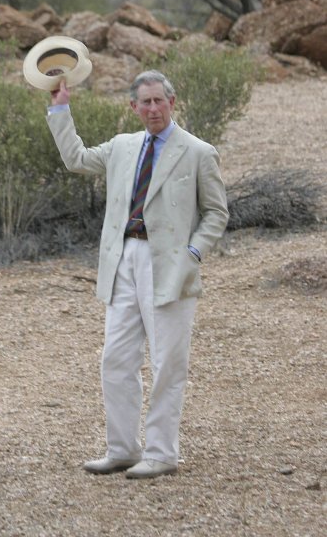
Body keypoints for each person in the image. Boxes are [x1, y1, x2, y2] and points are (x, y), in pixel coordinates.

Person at [47, 69, 228, 479]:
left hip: (169, 264)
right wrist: (60, 108)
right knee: (116, 359)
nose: (152, 109)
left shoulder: (198, 151)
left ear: (172, 102)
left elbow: (217, 212)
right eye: (144, 102)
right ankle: (123, 449)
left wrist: (193, 253)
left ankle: (162, 453)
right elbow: (76, 159)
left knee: (168, 362)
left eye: (158, 100)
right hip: (122, 259)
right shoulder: (122, 147)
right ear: (133, 107)